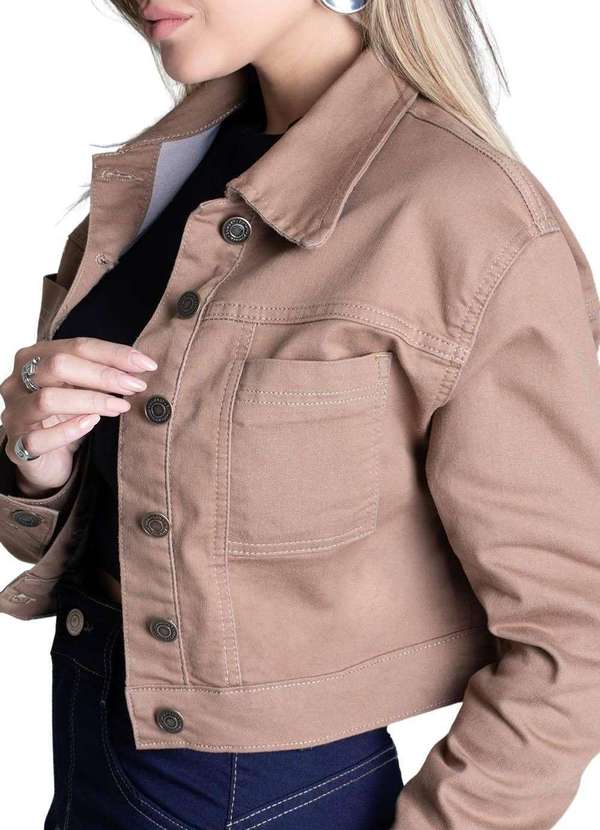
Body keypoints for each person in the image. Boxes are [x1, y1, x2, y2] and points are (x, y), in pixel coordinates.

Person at [1, 1, 599, 828]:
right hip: (87, 746)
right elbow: (121, 528)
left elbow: (574, 633)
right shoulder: (158, 178)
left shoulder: (467, 214)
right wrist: (37, 458)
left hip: (268, 798)